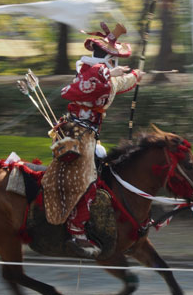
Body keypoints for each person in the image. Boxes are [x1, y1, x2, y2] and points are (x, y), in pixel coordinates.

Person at [41, 22, 144, 258]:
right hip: (77, 133)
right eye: (113, 59)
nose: (115, 64)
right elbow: (74, 90)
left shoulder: (104, 75)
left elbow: (117, 83)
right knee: (86, 177)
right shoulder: (90, 74)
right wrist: (112, 74)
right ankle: (76, 229)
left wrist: (137, 75)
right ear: (105, 58)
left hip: (89, 134)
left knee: (101, 167)